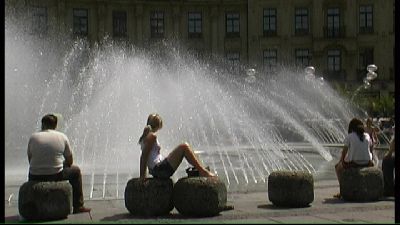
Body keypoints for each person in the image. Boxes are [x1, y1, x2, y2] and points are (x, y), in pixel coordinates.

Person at [27, 114, 91, 214]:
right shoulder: (62, 137)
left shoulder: (33, 137)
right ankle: (78, 206)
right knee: (76, 171)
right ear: (55, 125)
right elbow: (70, 161)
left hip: (34, 176)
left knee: (33, 168)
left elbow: (30, 159)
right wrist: (62, 164)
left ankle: (30, 203)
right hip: (55, 175)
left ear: (42, 125)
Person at [138, 113, 216, 180]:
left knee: (190, 151)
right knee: (184, 147)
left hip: (158, 169)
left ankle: (200, 170)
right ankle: (203, 172)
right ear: (158, 125)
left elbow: (146, 156)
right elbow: (144, 156)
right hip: (160, 169)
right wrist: (142, 177)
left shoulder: (145, 136)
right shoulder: (151, 137)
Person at [334, 118, 374, 198]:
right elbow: (371, 149)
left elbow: (344, 152)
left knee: (337, 168)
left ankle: (342, 191)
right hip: (368, 162)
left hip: (355, 163)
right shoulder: (367, 136)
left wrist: (341, 162)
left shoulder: (350, 136)